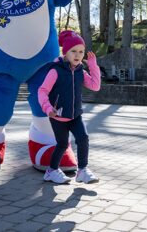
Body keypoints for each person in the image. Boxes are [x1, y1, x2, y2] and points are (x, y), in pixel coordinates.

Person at [38, 30, 101, 184]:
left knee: (83, 138)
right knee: (62, 144)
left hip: (75, 115)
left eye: (81, 51)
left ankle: (82, 171)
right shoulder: (55, 70)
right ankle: (51, 171)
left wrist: (93, 66)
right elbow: (42, 91)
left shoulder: (81, 71)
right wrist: (48, 108)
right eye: (73, 51)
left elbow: (95, 86)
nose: (77, 55)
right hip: (57, 116)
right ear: (65, 52)